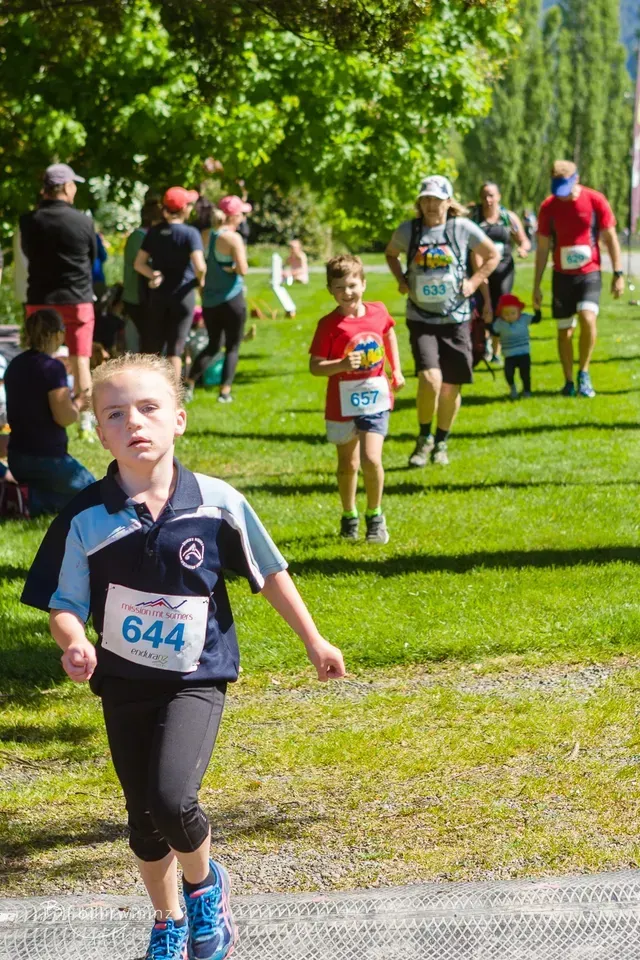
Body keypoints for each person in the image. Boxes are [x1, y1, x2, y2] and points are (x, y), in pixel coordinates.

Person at [21, 352, 345, 960]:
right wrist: (74, 641)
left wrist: (314, 640)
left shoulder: (216, 502)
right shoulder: (86, 517)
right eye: (116, 414)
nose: (134, 423)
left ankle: (204, 890)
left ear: (180, 419)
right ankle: (168, 921)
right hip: (122, 681)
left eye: (149, 408)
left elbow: (269, 573)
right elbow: (62, 602)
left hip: (197, 676)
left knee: (172, 800)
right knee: (142, 819)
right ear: (98, 428)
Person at [385, 175, 500, 467]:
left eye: (436, 200)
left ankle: (442, 441)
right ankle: (423, 439)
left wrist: (474, 283)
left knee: (450, 387)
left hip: (457, 318)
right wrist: (401, 280)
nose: (430, 205)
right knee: (429, 378)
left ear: (449, 202)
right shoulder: (409, 230)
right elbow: (391, 253)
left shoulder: (461, 228)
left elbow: (492, 255)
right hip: (421, 317)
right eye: (425, 200)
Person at [309, 255, 404, 544]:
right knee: (347, 465)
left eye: (352, 285)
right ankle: (349, 514)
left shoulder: (378, 312)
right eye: (339, 287)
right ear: (330, 290)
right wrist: (341, 365)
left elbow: (389, 335)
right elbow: (315, 366)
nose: (347, 292)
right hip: (342, 402)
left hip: (375, 396)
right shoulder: (329, 325)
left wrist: (395, 369)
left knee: (371, 458)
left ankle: (375, 516)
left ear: (363, 283)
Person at [533, 160, 624, 398]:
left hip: (589, 273)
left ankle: (584, 372)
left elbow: (611, 238)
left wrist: (618, 273)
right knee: (564, 331)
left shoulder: (595, 201)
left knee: (587, 318)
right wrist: (536, 286)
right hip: (562, 276)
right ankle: (568, 381)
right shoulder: (548, 207)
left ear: (576, 180)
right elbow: (542, 248)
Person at [20, 163, 97, 440]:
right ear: (65, 187)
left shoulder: (29, 220)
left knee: (38, 358)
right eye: (74, 184)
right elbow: (91, 257)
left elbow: (29, 254)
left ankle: (39, 413)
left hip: (40, 299)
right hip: (77, 298)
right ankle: (85, 421)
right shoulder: (83, 221)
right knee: (81, 360)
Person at [4, 308, 94, 516]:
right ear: (55, 334)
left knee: (67, 496)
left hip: (18, 457)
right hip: (47, 458)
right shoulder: (52, 367)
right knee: (95, 495)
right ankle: (30, 502)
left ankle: (24, 497)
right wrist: (80, 403)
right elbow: (64, 417)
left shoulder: (15, 365)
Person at [134, 187, 206, 380]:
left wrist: (153, 274)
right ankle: (173, 399)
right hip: (183, 296)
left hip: (159, 296)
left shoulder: (154, 232)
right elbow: (200, 266)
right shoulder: (191, 233)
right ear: (184, 209)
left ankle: (149, 390)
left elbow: (138, 264)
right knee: (175, 349)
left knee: (154, 348)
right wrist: (201, 282)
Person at [184, 195, 251, 404]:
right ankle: (224, 392)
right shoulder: (233, 238)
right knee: (232, 346)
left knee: (213, 344)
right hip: (232, 298)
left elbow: (198, 263)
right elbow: (243, 269)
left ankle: (189, 382)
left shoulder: (207, 235)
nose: (243, 218)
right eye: (241, 214)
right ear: (235, 216)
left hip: (210, 301)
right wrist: (231, 268)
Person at [470, 182, 530, 364]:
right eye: (484, 196)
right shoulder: (474, 218)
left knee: (501, 306)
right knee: (481, 306)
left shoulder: (507, 217)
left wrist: (523, 249)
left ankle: (497, 350)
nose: (488, 200)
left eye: (491, 195)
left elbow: (523, 240)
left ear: (499, 197)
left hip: (504, 270)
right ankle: (484, 341)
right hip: (479, 268)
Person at [122, 200, 163, 353]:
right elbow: (141, 265)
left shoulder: (147, 235)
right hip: (137, 298)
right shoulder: (138, 236)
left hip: (146, 298)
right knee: (146, 343)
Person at [491, 294, 541, 399]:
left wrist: (537, 310)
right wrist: (487, 321)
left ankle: (527, 390)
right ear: (501, 314)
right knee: (508, 373)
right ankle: (513, 388)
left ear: (519, 312)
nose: (510, 316)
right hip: (509, 355)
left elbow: (537, 319)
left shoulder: (524, 318)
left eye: (513, 313)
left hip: (524, 353)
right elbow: (493, 331)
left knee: (525, 374)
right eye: (506, 314)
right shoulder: (500, 323)